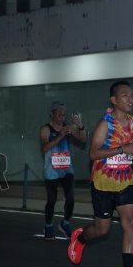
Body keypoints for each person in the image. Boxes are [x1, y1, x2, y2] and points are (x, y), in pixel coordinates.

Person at [67, 80, 133, 267]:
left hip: (125, 180)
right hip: (103, 182)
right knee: (102, 230)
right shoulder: (105, 124)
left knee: (130, 223)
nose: (130, 99)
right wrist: (122, 149)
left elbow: (131, 148)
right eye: (125, 95)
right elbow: (93, 153)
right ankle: (80, 238)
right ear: (114, 100)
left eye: (132, 95)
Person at [39, 101, 87, 239]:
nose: (62, 116)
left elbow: (83, 140)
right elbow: (44, 148)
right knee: (52, 200)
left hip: (66, 169)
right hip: (51, 170)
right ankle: (48, 225)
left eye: (64, 114)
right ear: (52, 114)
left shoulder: (68, 127)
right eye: (59, 114)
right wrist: (60, 135)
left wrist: (80, 126)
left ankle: (65, 223)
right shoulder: (45, 129)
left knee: (70, 199)